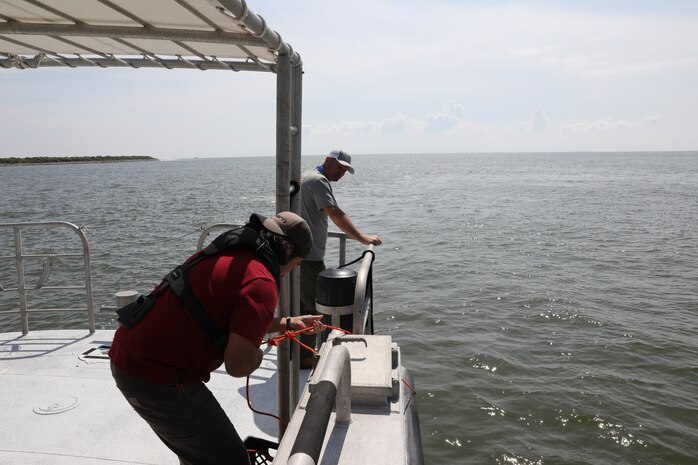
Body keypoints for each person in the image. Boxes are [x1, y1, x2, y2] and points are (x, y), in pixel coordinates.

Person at [109, 212, 322, 465]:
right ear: (287, 251)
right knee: (230, 460)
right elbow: (238, 365)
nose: (289, 272)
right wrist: (257, 354)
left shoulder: (233, 257)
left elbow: (234, 319)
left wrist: (288, 322)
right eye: (296, 264)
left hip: (132, 356)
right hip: (156, 377)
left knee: (198, 454)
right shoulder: (261, 281)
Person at [299, 149, 382, 362]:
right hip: (308, 257)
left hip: (298, 255)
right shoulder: (318, 181)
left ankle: (298, 350)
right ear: (327, 161)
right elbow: (334, 213)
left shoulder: (307, 175)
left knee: (299, 304)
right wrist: (363, 238)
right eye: (339, 167)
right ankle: (305, 356)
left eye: (345, 170)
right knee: (313, 307)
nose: (341, 173)